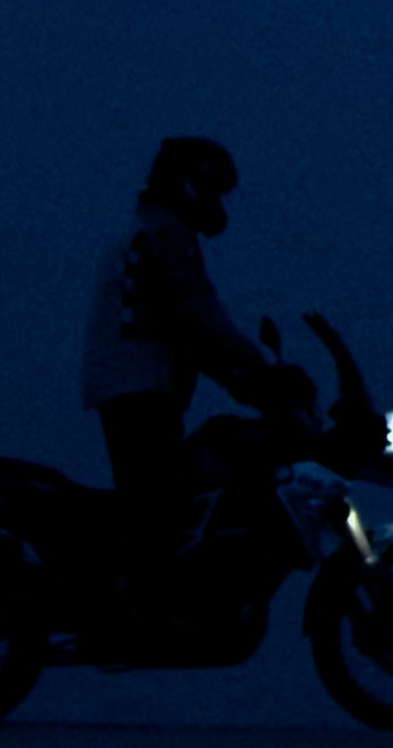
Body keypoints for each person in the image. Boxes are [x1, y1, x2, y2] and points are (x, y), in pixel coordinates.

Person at [78, 137, 305, 504]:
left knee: (157, 494)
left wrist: (241, 378)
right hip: (139, 383)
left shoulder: (146, 230)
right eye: (211, 190)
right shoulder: (167, 235)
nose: (216, 203)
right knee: (157, 502)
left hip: (131, 381)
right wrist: (261, 369)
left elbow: (188, 335)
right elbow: (200, 315)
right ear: (188, 185)